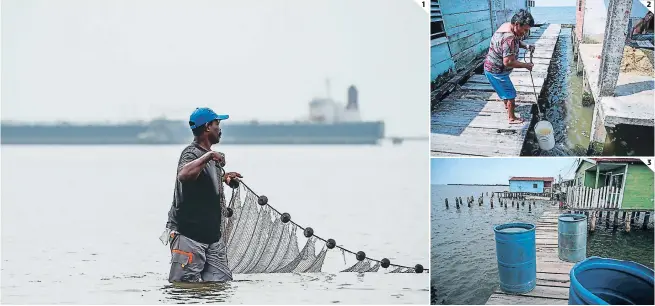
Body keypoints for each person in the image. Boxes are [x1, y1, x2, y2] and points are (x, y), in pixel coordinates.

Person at [163, 107, 242, 283]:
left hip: (212, 238)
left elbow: (203, 181)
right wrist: (208, 156)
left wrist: (224, 178)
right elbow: (184, 175)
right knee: (183, 289)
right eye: (217, 124)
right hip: (189, 236)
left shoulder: (209, 159)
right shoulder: (191, 153)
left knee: (220, 288)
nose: (219, 129)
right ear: (207, 127)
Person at [483, 9, 536, 124]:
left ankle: (507, 105)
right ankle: (512, 118)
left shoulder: (507, 26)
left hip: (489, 67)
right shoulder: (509, 38)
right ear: (517, 24)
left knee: (504, 90)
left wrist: (526, 46)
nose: (525, 33)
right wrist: (526, 65)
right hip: (497, 71)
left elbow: (517, 41)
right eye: (525, 30)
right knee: (511, 93)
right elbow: (508, 62)